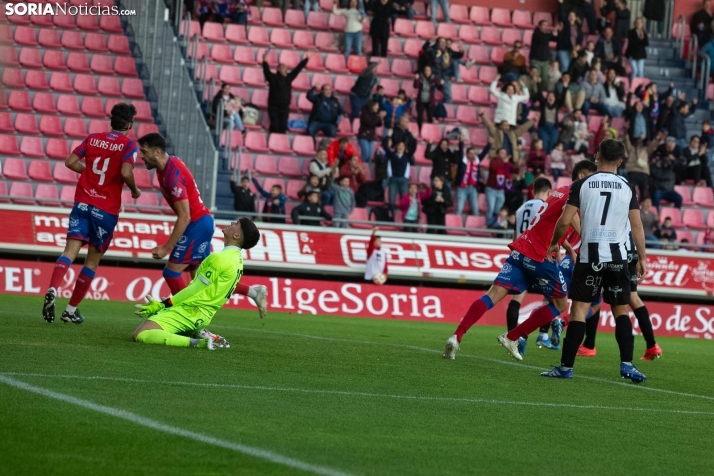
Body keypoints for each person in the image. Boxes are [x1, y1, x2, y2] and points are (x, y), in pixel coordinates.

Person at [443, 161, 598, 360]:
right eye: (592, 178)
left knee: (492, 294)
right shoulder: (575, 194)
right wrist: (587, 237)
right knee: (560, 305)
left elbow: (551, 221)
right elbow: (567, 218)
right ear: (582, 176)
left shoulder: (559, 191)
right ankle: (514, 336)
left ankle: (457, 336)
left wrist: (567, 247)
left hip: (521, 249)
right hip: (540, 256)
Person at [542, 139, 648, 382]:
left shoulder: (582, 184)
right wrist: (642, 257)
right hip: (618, 257)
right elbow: (636, 225)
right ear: (620, 161)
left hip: (590, 256)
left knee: (579, 309)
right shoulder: (627, 186)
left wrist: (555, 243)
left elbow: (566, 220)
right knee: (621, 309)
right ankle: (627, 364)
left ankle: (566, 367)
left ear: (597, 155)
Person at [42, 103, 141, 324]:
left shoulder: (93, 138)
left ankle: (52, 288)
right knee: (92, 261)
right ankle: (70, 311)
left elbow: (70, 162)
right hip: (105, 210)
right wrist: (134, 190)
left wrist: (89, 175)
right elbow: (126, 171)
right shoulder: (129, 145)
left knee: (69, 251)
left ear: (112, 121)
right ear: (129, 124)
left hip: (82, 204)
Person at [133, 218, 261, 350]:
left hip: (191, 311)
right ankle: (200, 333)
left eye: (236, 224)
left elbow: (194, 289)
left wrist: (164, 304)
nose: (231, 223)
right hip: (202, 314)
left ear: (236, 235)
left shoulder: (219, 258)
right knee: (157, 322)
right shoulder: (237, 259)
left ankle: (199, 343)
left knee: (141, 334)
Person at [507, 177, 553, 342]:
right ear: (549, 192)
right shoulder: (545, 207)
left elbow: (514, 237)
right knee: (553, 296)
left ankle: (511, 338)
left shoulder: (520, 209)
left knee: (516, 298)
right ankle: (543, 334)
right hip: (536, 255)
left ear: (533, 191)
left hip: (519, 254)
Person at [263, 51, 311, 134]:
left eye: (286, 67)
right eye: (282, 67)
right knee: (274, 125)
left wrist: (306, 59)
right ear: (278, 69)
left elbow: (298, 69)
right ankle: (272, 142)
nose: (285, 68)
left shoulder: (289, 77)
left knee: (283, 126)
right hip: (273, 106)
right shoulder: (273, 77)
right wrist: (264, 61)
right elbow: (266, 72)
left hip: (285, 107)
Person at [650, 137, 684, 209]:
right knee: (655, 196)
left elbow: (681, 164)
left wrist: (673, 160)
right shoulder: (658, 164)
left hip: (669, 190)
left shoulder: (673, 165)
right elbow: (655, 172)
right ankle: (656, 216)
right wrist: (653, 164)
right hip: (658, 189)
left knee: (679, 198)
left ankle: (674, 215)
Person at [623, 134, 656, 201]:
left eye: (641, 140)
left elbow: (653, 146)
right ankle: (629, 206)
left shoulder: (646, 150)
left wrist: (657, 139)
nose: (639, 141)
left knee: (644, 192)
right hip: (632, 172)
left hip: (644, 173)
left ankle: (642, 208)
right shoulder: (631, 149)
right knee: (629, 191)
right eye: (638, 140)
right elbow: (626, 142)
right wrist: (626, 135)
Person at [386, 141, 414, 214]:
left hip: (403, 180)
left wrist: (413, 139)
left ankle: (405, 218)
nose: (401, 147)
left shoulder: (407, 156)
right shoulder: (392, 155)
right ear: (396, 147)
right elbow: (386, 148)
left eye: (402, 146)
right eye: (399, 145)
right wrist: (387, 139)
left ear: (405, 148)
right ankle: (391, 217)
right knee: (391, 200)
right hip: (393, 179)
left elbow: (413, 148)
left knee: (404, 201)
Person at [453, 141, 480, 216]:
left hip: (472, 188)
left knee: (475, 210)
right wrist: (461, 142)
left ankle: (475, 227)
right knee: (459, 209)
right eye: (470, 153)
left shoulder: (477, 162)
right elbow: (461, 153)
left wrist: (489, 145)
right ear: (467, 154)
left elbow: (483, 154)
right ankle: (455, 225)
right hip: (462, 188)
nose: (472, 155)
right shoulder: (463, 162)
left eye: (473, 153)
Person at [556, 2, 582, 73]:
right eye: (570, 15)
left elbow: (580, 37)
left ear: (575, 17)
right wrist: (560, 4)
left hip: (573, 51)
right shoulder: (565, 24)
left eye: (573, 15)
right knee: (565, 67)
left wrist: (578, 45)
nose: (571, 17)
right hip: (563, 49)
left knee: (570, 68)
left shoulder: (578, 27)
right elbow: (561, 14)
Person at [529, 20, 558, 85]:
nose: (546, 27)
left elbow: (556, 38)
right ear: (539, 26)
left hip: (545, 61)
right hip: (536, 60)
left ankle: (544, 93)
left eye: (547, 25)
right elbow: (542, 40)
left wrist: (558, 31)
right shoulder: (536, 33)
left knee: (544, 79)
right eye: (544, 25)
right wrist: (552, 33)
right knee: (536, 78)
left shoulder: (546, 35)